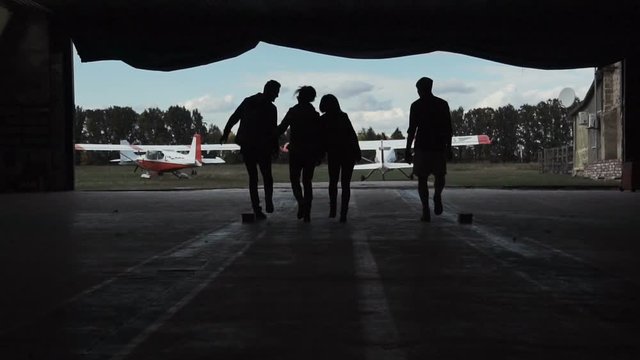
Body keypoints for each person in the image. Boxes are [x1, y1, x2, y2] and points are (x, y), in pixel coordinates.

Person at [220, 80, 281, 220]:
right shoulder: (271, 109)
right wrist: (275, 147)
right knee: (267, 176)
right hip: (263, 147)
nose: (277, 96)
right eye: (276, 93)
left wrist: (226, 132)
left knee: (253, 177)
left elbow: (234, 117)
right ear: (270, 91)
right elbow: (273, 131)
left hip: (247, 145)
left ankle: (257, 208)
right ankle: (268, 201)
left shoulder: (248, 101)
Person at [405, 77, 452, 222]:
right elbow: (448, 129)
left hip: (422, 147)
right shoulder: (442, 104)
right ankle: (437, 194)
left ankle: (425, 209)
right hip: (438, 147)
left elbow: (412, 130)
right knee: (440, 175)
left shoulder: (416, 106)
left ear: (420, 89)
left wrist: (407, 149)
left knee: (422, 179)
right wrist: (448, 147)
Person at [277, 86, 322, 222]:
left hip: (296, 151)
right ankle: (307, 211)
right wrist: (319, 153)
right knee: (307, 182)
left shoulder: (293, 112)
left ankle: (301, 202)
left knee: (294, 179)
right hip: (310, 152)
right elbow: (319, 136)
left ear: (299, 97)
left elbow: (281, 128)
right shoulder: (314, 115)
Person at [319, 94, 361, 223]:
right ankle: (343, 213)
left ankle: (333, 209)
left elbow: (321, 140)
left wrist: (320, 154)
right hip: (348, 153)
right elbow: (352, 135)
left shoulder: (323, 119)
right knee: (345, 184)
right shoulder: (343, 116)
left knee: (333, 182)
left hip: (334, 154)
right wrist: (357, 151)